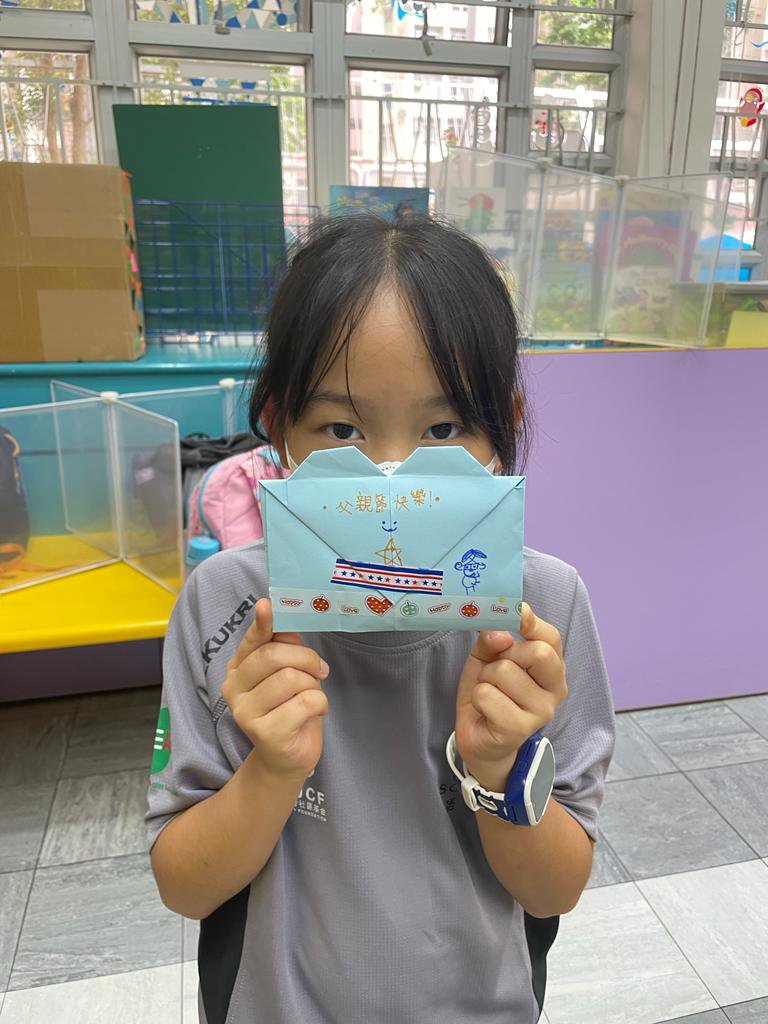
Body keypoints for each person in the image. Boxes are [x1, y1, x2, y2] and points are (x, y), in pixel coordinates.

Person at [145, 212, 616, 1024]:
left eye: (444, 429)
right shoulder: (227, 607)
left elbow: (556, 888)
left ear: (501, 428)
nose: (391, 478)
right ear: (277, 426)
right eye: (342, 430)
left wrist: (497, 770)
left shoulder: (542, 612)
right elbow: (184, 886)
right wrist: (272, 770)